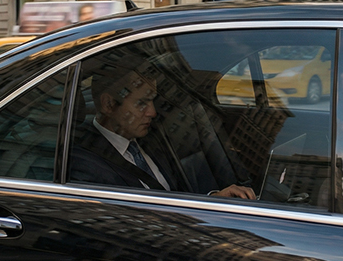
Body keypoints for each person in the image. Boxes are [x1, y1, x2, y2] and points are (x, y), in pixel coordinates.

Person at [70, 66, 255, 199]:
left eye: (153, 102)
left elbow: (175, 197)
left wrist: (214, 198)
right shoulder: (86, 165)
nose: (152, 112)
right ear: (109, 104)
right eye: (141, 103)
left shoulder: (149, 140)